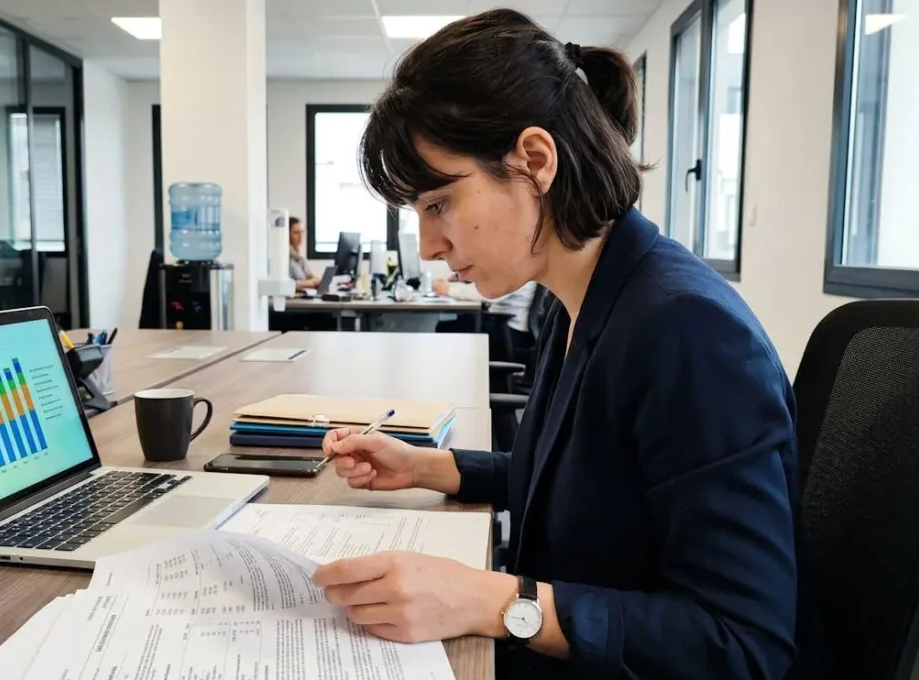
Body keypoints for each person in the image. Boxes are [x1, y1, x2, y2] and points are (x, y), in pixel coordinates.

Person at [316, 10, 816, 679]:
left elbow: (739, 645)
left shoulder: (687, 333)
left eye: (437, 204)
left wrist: (494, 602)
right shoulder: (580, 298)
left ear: (534, 161)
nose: (430, 247)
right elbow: (578, 479)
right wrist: (427, 467)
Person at [288, 217, 322, 291]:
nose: (300, 236)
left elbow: (309, 275)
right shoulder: (284, 257)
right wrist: (309, 283)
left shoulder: (299, 257)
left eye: (301, 232)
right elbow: (286, 285)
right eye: (296, 233)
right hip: (292, 300)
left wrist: (315, 279)